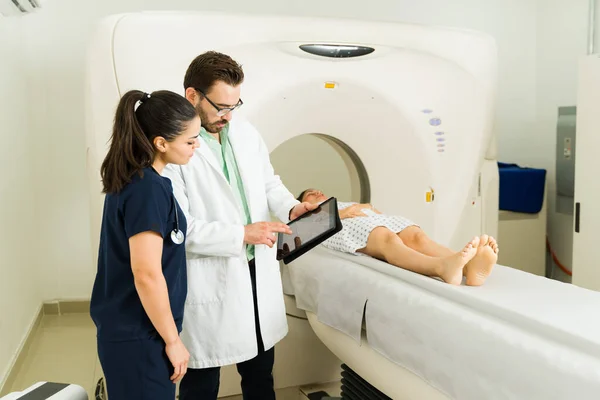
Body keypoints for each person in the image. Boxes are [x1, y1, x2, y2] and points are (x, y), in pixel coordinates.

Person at [162, 51, 317, 400]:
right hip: (211, 272)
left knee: (261, 374)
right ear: (192, 96)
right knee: (202, 383)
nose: (227, 116)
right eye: (219, 107)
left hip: (256, 269)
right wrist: (242, 234)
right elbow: (181, 230)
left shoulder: (245, 132)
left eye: (235, 105)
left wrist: (292, 207)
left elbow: (268, 183)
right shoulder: (174, 149)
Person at [89, 90, 201, 399]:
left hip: (134, 329)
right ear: (161, 143)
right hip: (139, 335)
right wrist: (173, 341)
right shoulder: (147, 190)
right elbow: (146, 274)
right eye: (190, 141)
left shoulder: (138, 180)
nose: (196, 146)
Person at [297, 188, 499, 286]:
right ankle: (442, 267)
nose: (316, 191)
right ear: (303, 203)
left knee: (417, 237)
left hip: (376, 219)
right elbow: (305, 231)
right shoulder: (308, 215)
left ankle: (468, 267)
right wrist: (341, 213)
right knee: (388, 240)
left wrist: (367, 209)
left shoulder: (343, 201)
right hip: (345, 227)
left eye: (317, 190)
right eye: (309, 194)